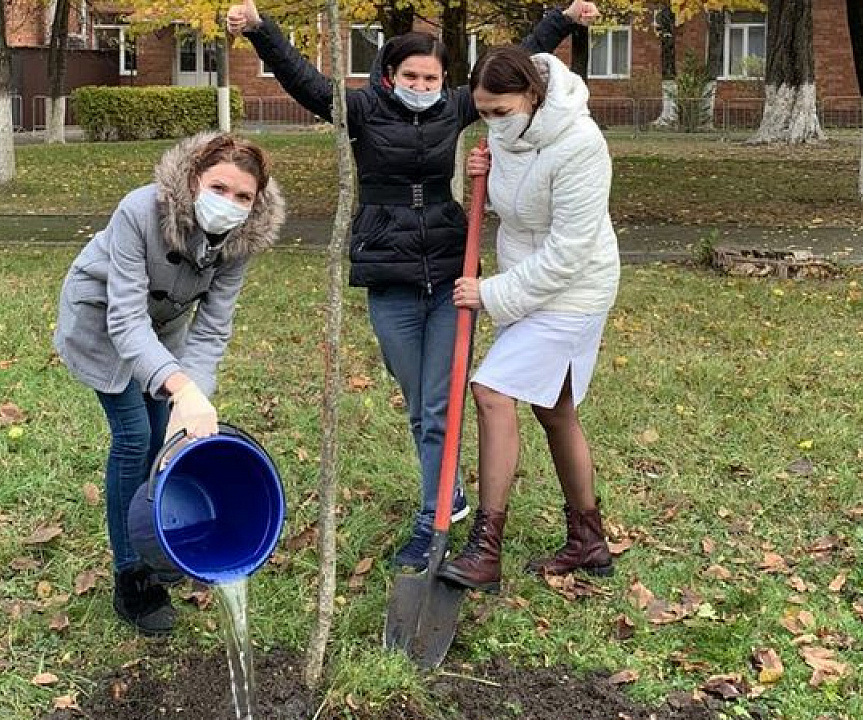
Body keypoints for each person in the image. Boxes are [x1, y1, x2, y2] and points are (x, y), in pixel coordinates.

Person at [226, 0, 599, 571]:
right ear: (389, 77)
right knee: (420, 406)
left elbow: (515, 63)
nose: (422, 85)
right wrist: (260, 29)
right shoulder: (360, 108)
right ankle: (446, 492)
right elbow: (302, 80)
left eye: (432, 77)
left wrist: (564, 18)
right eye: (411, 76)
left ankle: (434, 516)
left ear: (444, 82)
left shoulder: (456, 108)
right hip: (389, 268)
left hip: (451, 268)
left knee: (440, 399)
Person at [53, 132, 285, 635]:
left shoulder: (241, 240)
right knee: (135, 437)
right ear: (195, 178)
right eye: (219, 188)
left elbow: (213, 327)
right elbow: (126, 321)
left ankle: (155, 539)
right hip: (102, 322)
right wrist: (178, 386)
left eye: (243, 197)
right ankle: (130, 576)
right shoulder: (141, 211)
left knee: (164, 437)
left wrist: (192, 389)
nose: (229, 204)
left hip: (163, 331)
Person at [436, 46, 620, 594]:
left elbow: (568, 251)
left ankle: (486, 549)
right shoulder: (504, 133)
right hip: (528, 283)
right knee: (555, 409)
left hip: (574, 290)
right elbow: (501, 208)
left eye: (501, 110)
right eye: (483, 112)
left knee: (491, 390)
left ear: (533, 96)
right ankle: (588, 540)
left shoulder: (582, 145)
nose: (492, 121)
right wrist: (471, 177)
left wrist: (490, 293)